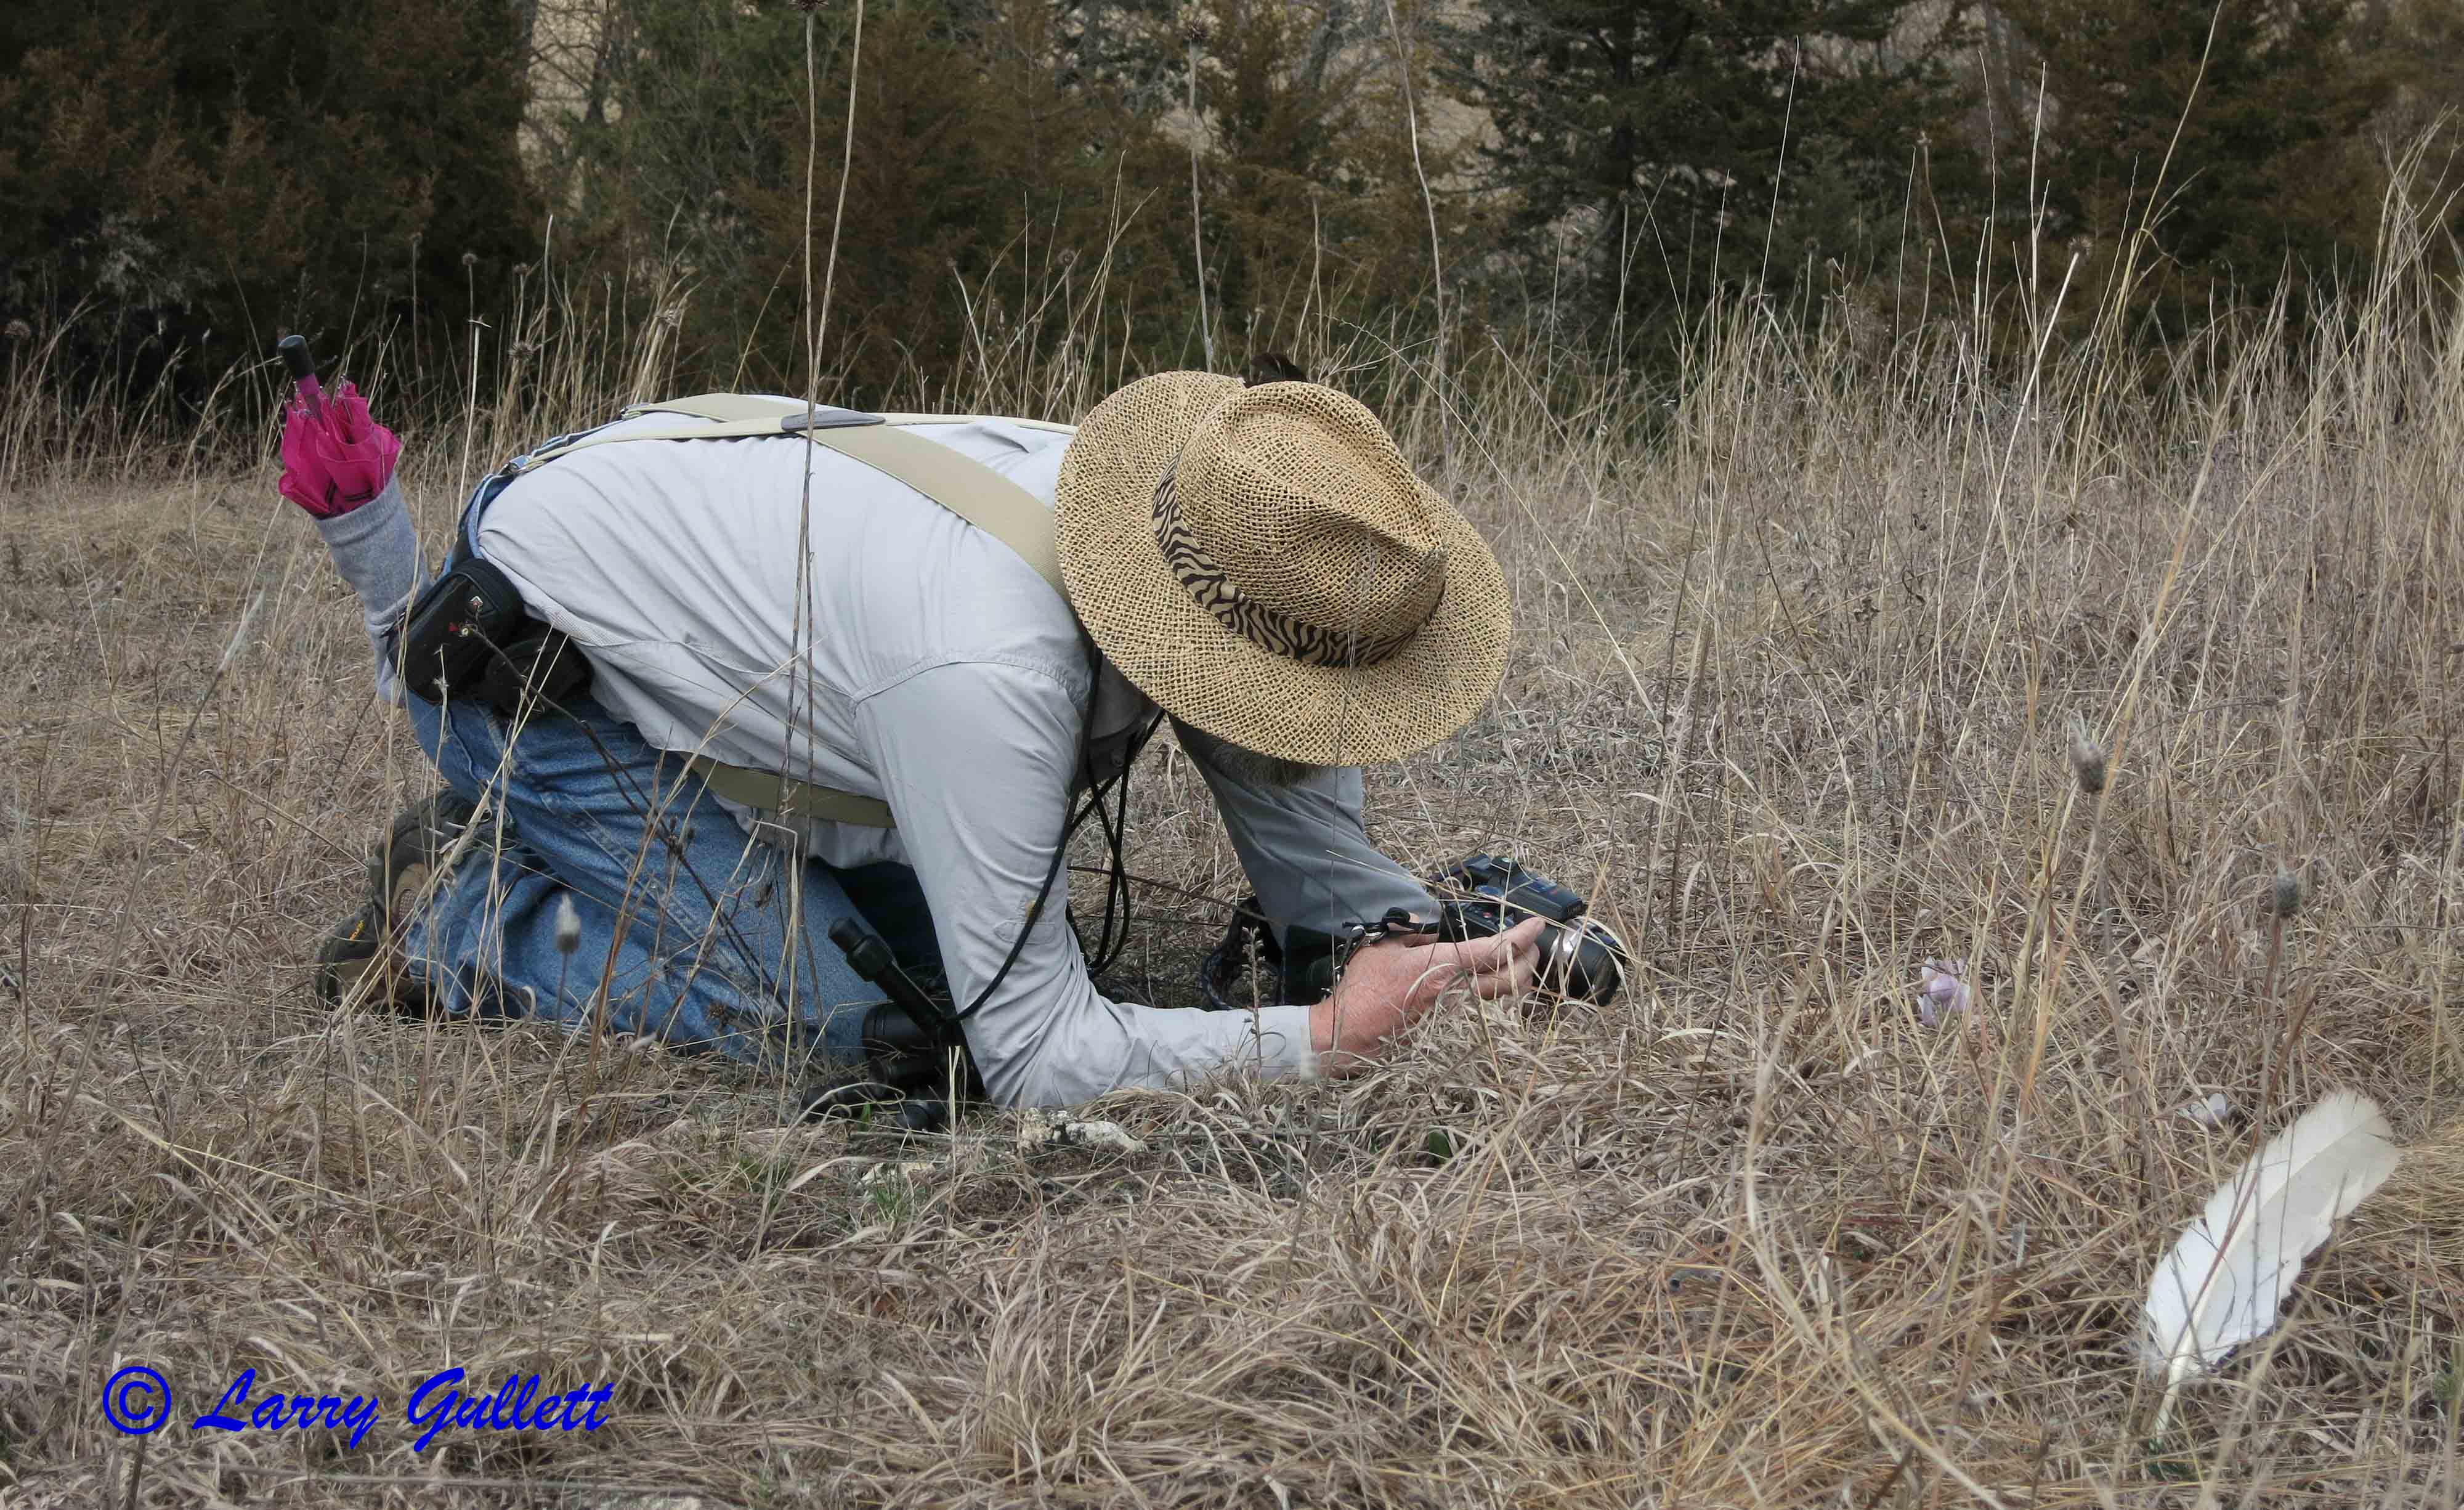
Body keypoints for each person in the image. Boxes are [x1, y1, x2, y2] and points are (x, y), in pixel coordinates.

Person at [297, 367, 1544, 1108]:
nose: (1313, 727)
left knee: (939, 966)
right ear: (1203, 645)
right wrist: (1329, 1037)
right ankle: (463, 909)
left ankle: (619, 871)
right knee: (869, 1035)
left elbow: (1306, 832)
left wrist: (1405, 935)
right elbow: (1036, 1055)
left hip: (678, 574)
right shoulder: (984, 659)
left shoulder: (1220, 535)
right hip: (533, 676)